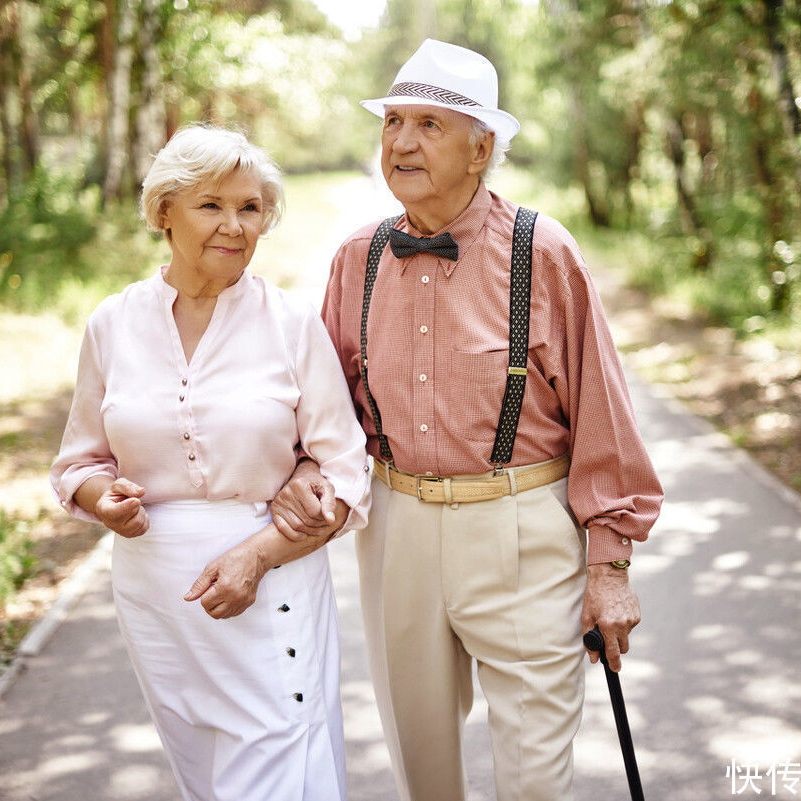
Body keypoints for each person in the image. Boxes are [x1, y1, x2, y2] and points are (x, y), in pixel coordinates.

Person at [272, 39, 664, 801]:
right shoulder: (357, 257)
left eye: (428, 124)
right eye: (392, 122)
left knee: (534, 782)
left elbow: (604, 419)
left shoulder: (543, 252)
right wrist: (304, 471)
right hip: (397, 531)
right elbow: (326, 411)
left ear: (481, 148)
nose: (401, 142)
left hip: (522, 531)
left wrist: (609, 566)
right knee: (425, 773)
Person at [50, 124, 370, 801]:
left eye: (250, 208)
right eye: (211, 205)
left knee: (276, 769)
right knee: (205, 778)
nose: (234, 225)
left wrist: (258, 554)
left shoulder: (290, 324)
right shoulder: (112, 323)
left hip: (272, 580)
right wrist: (100, 498)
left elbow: (346, 473)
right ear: (165, 210)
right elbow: (78, 459)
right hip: (157, 597)